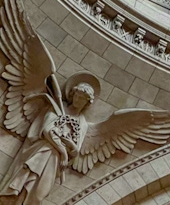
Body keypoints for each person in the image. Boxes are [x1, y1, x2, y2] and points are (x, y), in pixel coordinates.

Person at [0, 74, 99, 205]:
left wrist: (69, 145)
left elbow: (75, 152)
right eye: (76, 95)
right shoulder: (58, 107)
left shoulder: (82, 123)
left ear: (87, 103)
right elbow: (47, 130)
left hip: (55, 161)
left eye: (81, 98)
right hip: (41, 151)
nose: (77, 99)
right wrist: (63, 151)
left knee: (40, 193)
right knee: (25, 181)